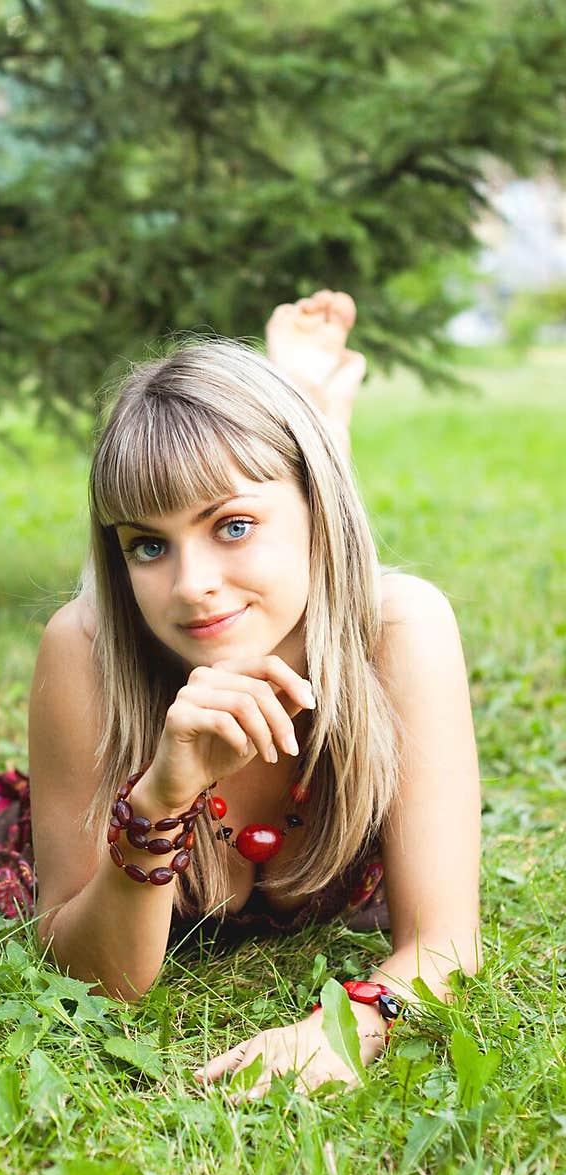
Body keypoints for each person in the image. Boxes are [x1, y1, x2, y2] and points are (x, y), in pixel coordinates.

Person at [27, 289, 482, 1096]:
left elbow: (445, 944)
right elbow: (105, 984)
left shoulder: (402, 631)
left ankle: (308, 413)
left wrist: (346, 1029)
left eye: (231, 525)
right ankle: (294, 418)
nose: (193, 588)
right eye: (147, 545)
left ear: (316, 507)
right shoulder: (87, 646)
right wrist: (159, 800)